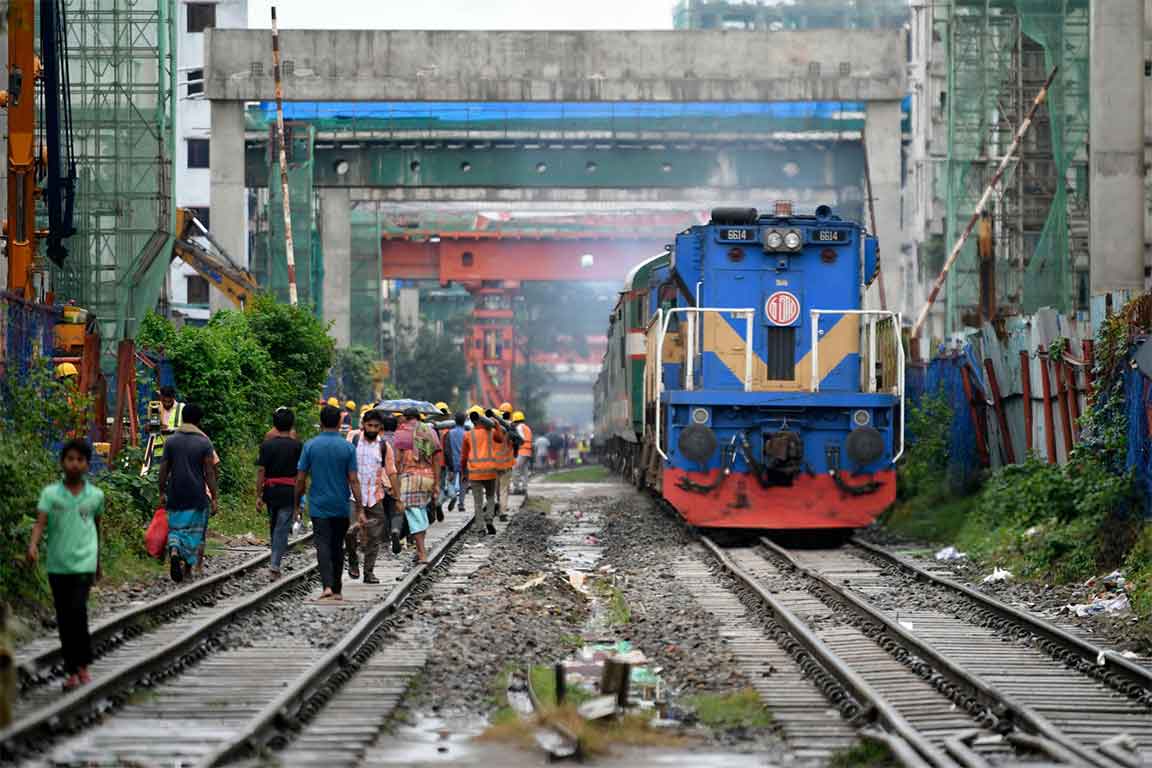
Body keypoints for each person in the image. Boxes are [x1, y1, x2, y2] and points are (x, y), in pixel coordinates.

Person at [27, 439, 103, 691]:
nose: (74, 464)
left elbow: (97, 527)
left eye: (80, 459)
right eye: (70, 459)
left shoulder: (95, 496)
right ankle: (72, 670)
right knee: (64, 617)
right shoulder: (50, 494)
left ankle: (81, 666)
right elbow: (40, 523)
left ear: (87, 464)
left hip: (84, 563)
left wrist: (98, 562)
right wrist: (33, 545)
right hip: (57, 564)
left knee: (78, 611)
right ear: (62, 463)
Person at [296, 405, 362, 601]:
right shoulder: (348, 447)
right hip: (340, 505)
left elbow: (300, 478)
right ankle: (338, 589)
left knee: (322, 544)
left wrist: (296, 502)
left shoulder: (310, 446)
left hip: (318, 504)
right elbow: (354, 479)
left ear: (321, 422)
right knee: (337, 545)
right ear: (340, 422)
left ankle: (326, 586)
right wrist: (360, 506)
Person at [158, 403, 217, 583]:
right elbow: (209, 472)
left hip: (175, 492)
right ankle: (188, 570)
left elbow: (164, 468)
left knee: (176, 526)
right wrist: (214, 496)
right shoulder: (204, 442)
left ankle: (174, 550)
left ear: (183, 417)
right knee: (193, 531)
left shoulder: (171, 441)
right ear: (199, 421)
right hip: (196, 493)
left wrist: (161, 490)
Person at [345, 409, 398, 584]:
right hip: (354, 496)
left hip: (375, 496)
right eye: (370, 425)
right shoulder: (352, 440)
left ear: (380, 427)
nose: (372, 429)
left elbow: (391, 472)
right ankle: (353, 560)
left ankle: (368, 572)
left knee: (375, 537)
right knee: (351, 531)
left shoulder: (384, 446)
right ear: (363, 425)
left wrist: (397, 497)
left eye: (376, 426)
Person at [256, 407, 302, 580]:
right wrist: (299, 499)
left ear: (274, 424)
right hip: (289, 491)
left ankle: (274, 559)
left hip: (271, 490)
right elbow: (300, 474)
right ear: (291, 426)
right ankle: (275, 564)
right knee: (281, 527)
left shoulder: (267, 445)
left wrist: (259, 495)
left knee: (274, 524)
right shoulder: (297, 445)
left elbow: (261, 471)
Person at [393, 407, 442, 564]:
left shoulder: (401, 432)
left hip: (409, 478)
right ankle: (419, 550)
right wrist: (436, 482)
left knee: (414, 515)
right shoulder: (430, 432)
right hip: (427, 477)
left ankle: (422, 553)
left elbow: (398, 461)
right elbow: (436, 460)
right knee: (420, 512)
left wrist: (395, 482)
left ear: (405, 418)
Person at [462, 406, 504, 535]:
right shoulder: (490, 432)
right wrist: (496, 424)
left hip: (474, 472)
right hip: (490, 470)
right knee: (491, 497)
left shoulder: (468, 435)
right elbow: (500, 439)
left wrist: (464, 472)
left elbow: (463, 456)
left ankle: (480, 528)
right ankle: (489, 519)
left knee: (477, 501)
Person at [445, 412, 468, 512]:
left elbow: (447, 450)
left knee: (450, 482)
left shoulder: (450, 433)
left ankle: (453, 495)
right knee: (463, 483)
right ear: (464, 421)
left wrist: (449, 465)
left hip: (453, 462)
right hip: (465, 462)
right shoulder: (467, 434)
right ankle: (461, 504)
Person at [512, 411, 533, 494]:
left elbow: (520, 438)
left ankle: (516, 488)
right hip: (528, 451)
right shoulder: (527, 428)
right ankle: (524, 488)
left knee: (515, 469)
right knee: (524, 471)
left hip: (522, 451)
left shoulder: (519, 427)